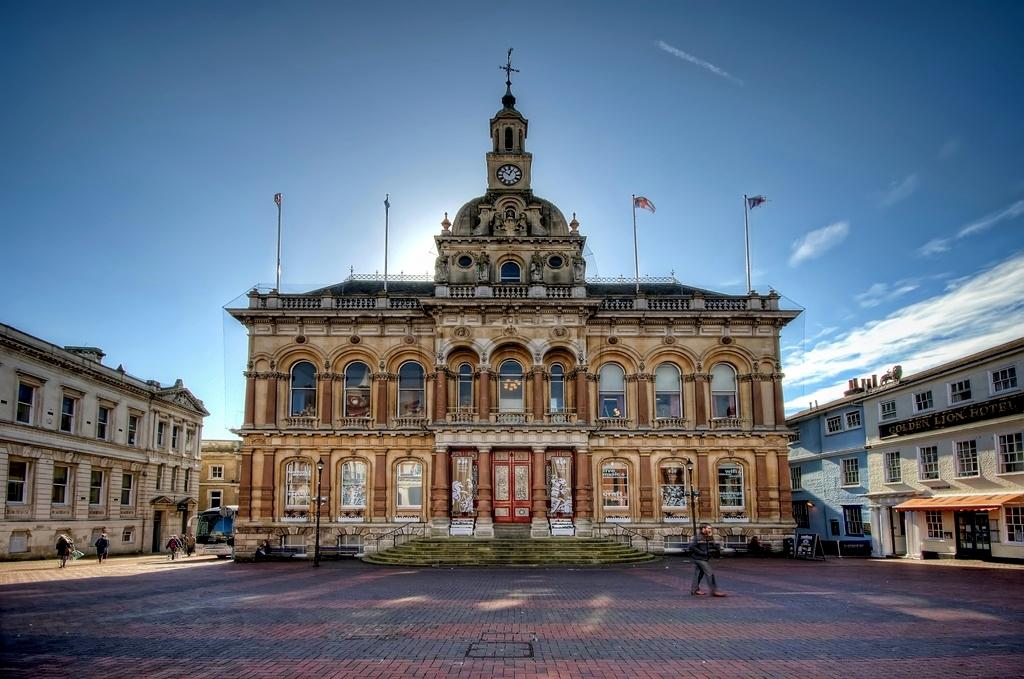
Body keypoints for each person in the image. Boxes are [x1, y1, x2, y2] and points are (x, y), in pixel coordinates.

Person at [689, 523, 727, 597]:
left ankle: (694, 590)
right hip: (699, 559)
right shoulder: (698, 537)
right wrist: (703, 553)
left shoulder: (709, 537)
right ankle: (714, 591)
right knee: (710, 573)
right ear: (703, 529)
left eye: (710, 528)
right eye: (708, 528)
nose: (710, 530)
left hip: (704, 558)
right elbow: (691, 547)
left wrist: (717, 548)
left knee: (698, 574)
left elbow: (712, 545)